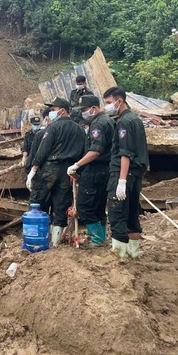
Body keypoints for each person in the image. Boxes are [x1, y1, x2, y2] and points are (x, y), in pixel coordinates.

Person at [27, 98, 85, 247]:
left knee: (37, 203)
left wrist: (33, 169)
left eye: (53, 110)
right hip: (68, 171)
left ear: (63, 110)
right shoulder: (79, 130)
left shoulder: (53, 128)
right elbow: (83, 151)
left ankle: (37, 237)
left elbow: (43, 150)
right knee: (60, 206)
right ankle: (56, 242)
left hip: (50, 169)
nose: (51, 113)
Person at [104, 87, 149, 260]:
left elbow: (125, 153)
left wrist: (121, 180)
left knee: (117, 213)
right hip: (136, 174)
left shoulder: (124, 122)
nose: (106, 106)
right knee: (131, 215)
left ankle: (118, 255)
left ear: (119, 101)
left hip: (123, 173)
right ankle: (134, 253)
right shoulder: (135, 120)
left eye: (108, 103)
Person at [67, 95, 115, 246]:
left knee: (85, 206)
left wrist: (77, 165)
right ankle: (100, 238)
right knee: (99, 206)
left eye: (85, 110)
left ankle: (97, 239)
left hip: (95, 170)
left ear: (94, 108)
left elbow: (95, 151)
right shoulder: (109, 121)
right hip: (106, 169)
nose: (83, 113)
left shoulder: (98, 124)